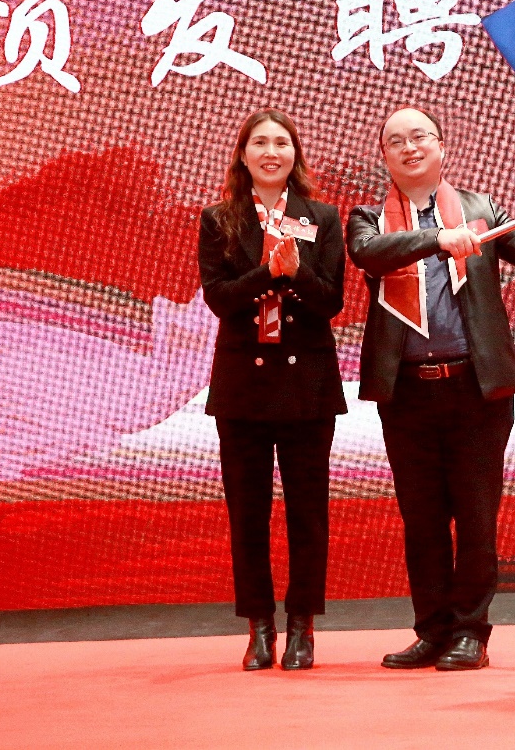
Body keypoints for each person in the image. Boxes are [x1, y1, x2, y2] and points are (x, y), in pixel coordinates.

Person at [346, 107, 515, 670]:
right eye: (396, 141)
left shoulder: (482, 210)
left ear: (442, 147)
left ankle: (471, 632)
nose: (409, 147)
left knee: (475, 517)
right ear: (385, 157)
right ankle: (432, 631)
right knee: (422, 521)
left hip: (475, 390)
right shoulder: (367, 219)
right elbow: (369, 255)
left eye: (420, 136)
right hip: (407, 395)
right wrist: (438, 238)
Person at [197, 108, 347, 671]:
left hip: (307, 383)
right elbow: (219, 298)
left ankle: (302, 626)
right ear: (243, 155)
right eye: (259, 143)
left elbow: (330, 301)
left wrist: (297, 273)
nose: (271, 152)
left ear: (294, 155)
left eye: (281, 143)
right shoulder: (219, 219)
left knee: (308, 512)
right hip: (243, 386)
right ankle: (259, 627)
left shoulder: (322, 217)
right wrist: (268, 273)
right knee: (248, 514)